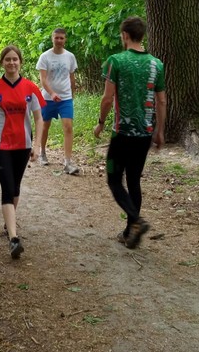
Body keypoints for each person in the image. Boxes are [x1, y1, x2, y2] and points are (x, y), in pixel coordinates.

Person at [93, 17, 166, 249]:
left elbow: (107, 98)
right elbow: (162, 100)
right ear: (141, 35)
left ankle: (136, 221)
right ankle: (130, 232)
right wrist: (159, 131)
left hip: (122, 133)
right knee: (134, 179)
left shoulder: (115, 61)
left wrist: (101, 122)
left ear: (124, 35)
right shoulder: (157, 64)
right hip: (145, 133)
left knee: (114, 180)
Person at [0, 45, 44, 259]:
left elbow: (38, 118)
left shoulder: (30, 88)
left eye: (15, 59)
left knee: (15, 187)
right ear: (2, 63)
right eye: (7, 59)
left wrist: (37, 147)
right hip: (1, 145)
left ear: (20, 62)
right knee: (7, 187)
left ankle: (9, 225)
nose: (11, 63)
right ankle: (14, 239)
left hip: (23, 145)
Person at [36, 28, 79, 174]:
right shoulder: (45, 57)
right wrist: (52, 93)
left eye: (62, 38)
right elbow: (43, 79)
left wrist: (72, 93)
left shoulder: (70, 57)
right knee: (45, 126)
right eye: (57, 38)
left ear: (65, 39)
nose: (59, 40)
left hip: (65, 98)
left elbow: (72, 77)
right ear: (52, 39)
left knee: (68, 127)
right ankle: (42, 152)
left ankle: (67, 162)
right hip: (48, 98)